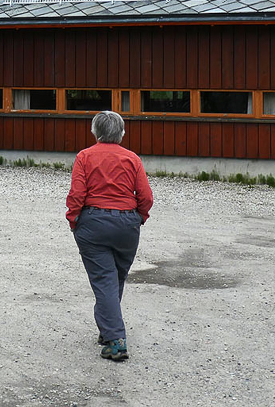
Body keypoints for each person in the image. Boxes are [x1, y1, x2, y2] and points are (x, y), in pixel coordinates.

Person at [65, 111, 154, 362]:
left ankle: (116, 341)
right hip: (127, 224)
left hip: (93, 222)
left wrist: (74, 220)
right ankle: (108, 330)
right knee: (115, 278)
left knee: (105, 279)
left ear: (95, 132)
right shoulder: (132, 159)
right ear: (122, 132)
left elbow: (77, 194)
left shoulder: (85, 156)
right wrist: (140, 218)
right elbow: (146, 196)